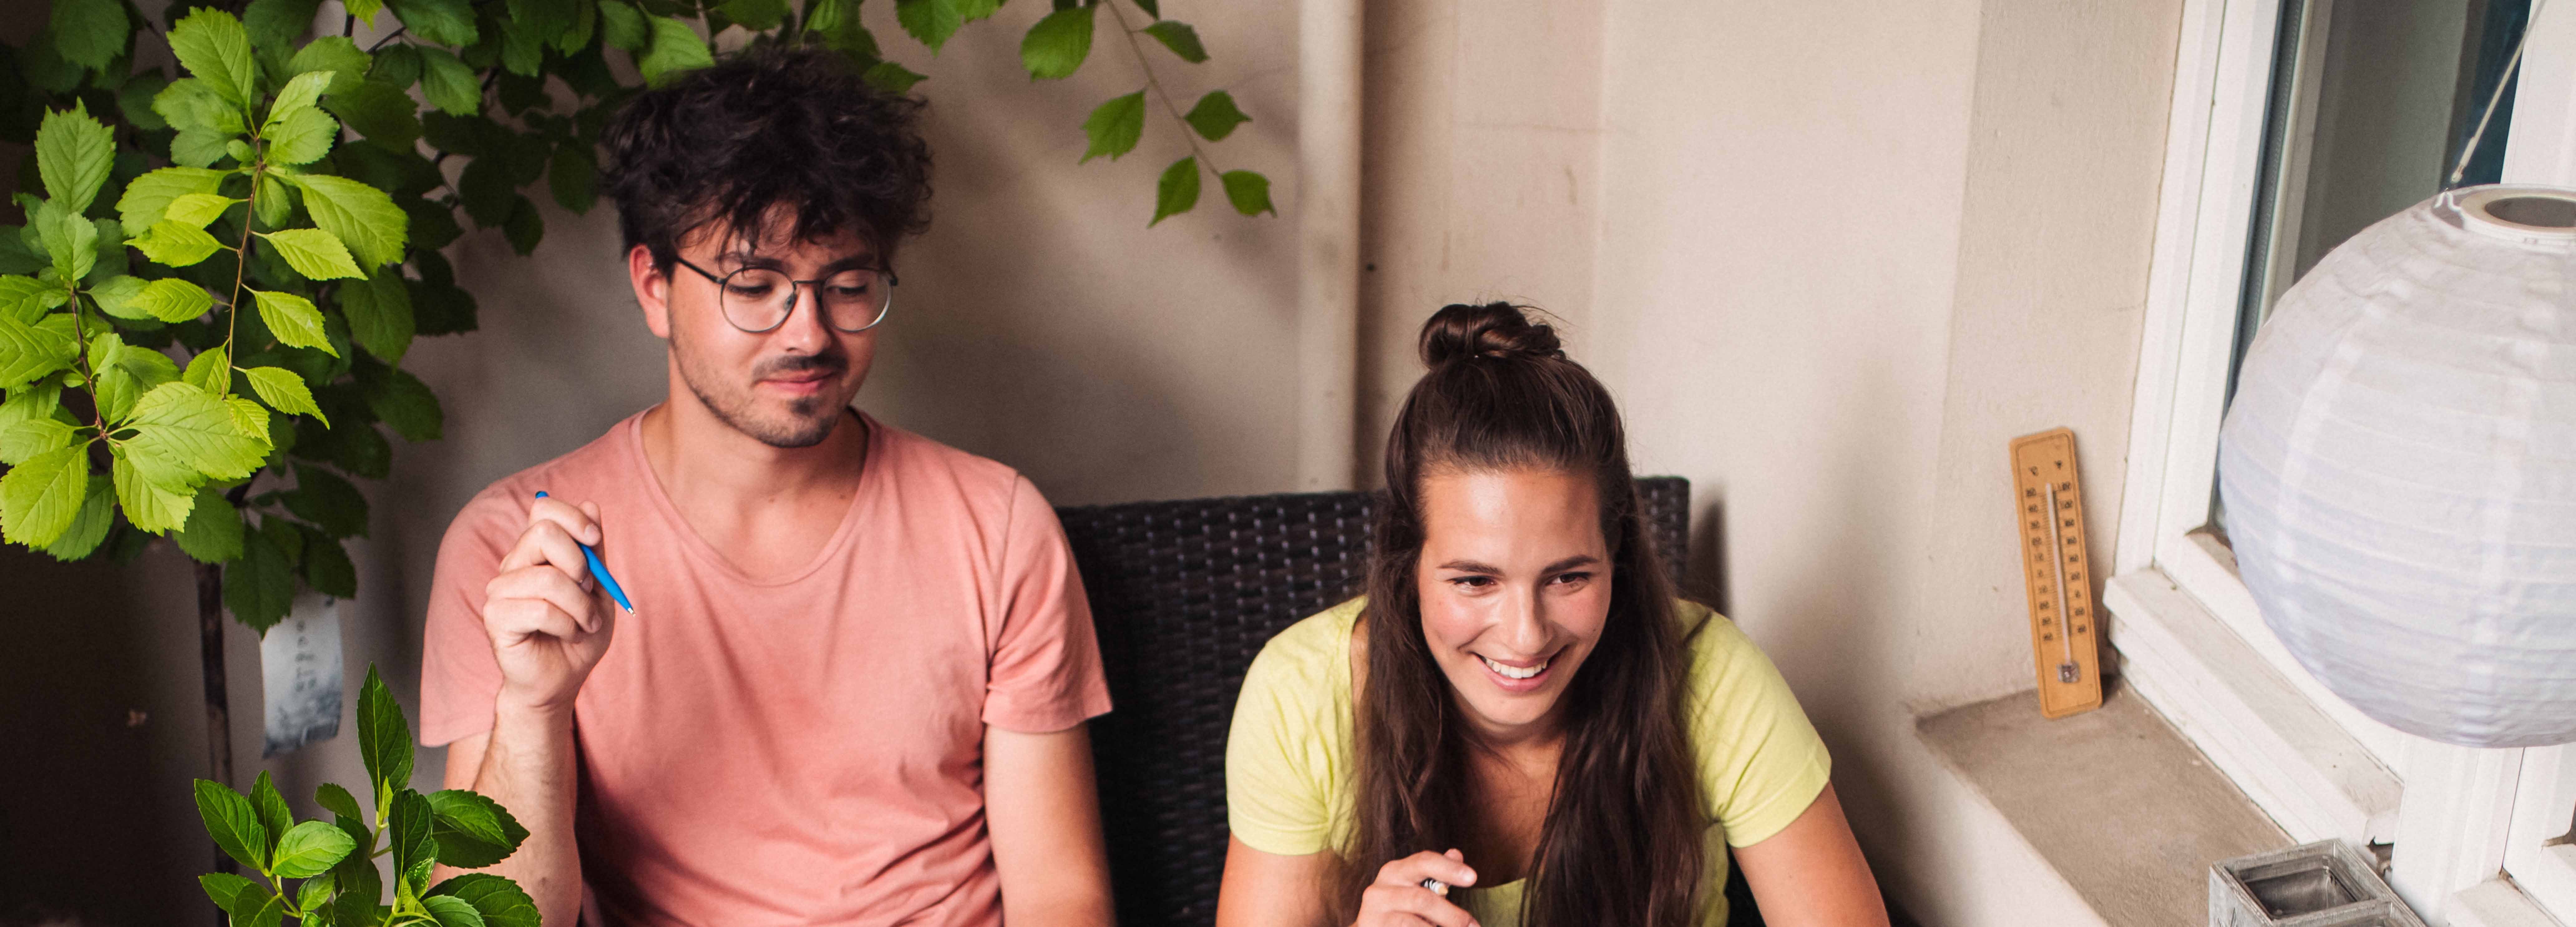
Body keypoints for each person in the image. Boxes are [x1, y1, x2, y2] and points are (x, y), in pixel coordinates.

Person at [417, 49, 1115, 927]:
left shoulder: (997, 525)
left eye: (848, 286)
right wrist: (534, 706)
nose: (810, 334)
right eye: (756, 287)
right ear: (655, 287)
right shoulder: (514, 555)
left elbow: (1062, 895)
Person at [1215, 304, 1888, 927]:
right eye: (1476, 581)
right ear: (1406, 562)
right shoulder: (1301, 697)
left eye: (1568, 577)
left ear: (1615, 552)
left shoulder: (1713, 678)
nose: (1526, 634)